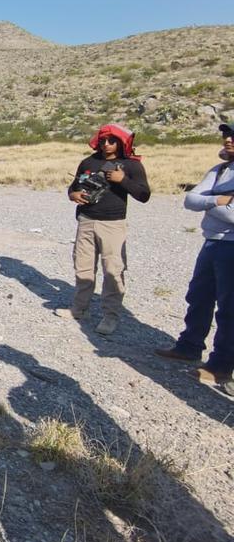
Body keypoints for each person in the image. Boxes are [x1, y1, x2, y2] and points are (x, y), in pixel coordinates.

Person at [154, 123, 234, 384]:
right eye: (226, 135)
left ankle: (221, 365)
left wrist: (209, 205)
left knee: (229, 307)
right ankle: (189, 346)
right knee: (199, 296)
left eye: (233, 136)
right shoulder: (220, 169)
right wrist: (216, 201)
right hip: (212, 242)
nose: (228, 139)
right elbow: (190, 199)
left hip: (231, 245)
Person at [54, 124, 151, 335]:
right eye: (103, 140)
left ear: (121, 142)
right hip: (86, 221)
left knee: (113, 270)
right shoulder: (89, 162)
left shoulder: (131, 165)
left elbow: (144, 195)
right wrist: (73, 195)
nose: (106, 145)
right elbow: (74, 185)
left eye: (112, 141)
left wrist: (122, 180)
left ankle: (110, 316)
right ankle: (80, 309)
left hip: (113, 224)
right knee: (83, 267)